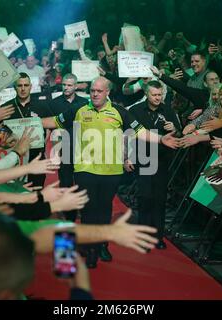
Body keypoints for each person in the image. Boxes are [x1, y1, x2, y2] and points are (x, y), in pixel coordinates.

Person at [42, 77, 181, 268]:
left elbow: (140, 132)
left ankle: (102, 245)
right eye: (92, 90)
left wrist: (161, 139)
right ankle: (91, 249)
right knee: (89, 209)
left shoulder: (119, 111)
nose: (95, 94)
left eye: (99, 91)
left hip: (111, 171)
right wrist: (28, 123)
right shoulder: (79, 109)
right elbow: (55, 121)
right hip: (85, 169)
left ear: (107, 92)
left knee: (104, 209)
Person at [126, 81, 181, 249]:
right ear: (147, 94)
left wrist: (176, 128)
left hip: (162, 160)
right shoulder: (135, 110)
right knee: (145, 197)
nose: (157, 98)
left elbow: (178, 134)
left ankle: (158, 236)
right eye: (154, 95)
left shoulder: (168, 111)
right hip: (142, 159)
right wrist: (126, 158)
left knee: (159, 198)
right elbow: (128, 135)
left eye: (160, 95)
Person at [0, 73, 54, 187]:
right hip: (13, 159)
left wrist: (47, 135)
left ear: (31, 86)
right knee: (14, 196)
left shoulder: (42, 106)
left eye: (26, 85)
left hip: (36, 157)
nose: (23, 89)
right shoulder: (6, 107)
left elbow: (51, 126)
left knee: (36, 193)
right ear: (14, 87)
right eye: (19, 85)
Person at [50, 74, 88, 222]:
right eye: (64, 85)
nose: (66, 87)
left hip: (81, 149)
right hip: (62, 148)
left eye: (69, 85)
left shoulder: (85, 102)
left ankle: (79, 208)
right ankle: (67, 212)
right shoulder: (54, 103)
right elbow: (51, 128)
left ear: (76, 86)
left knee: (82, 181)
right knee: (65, 182)